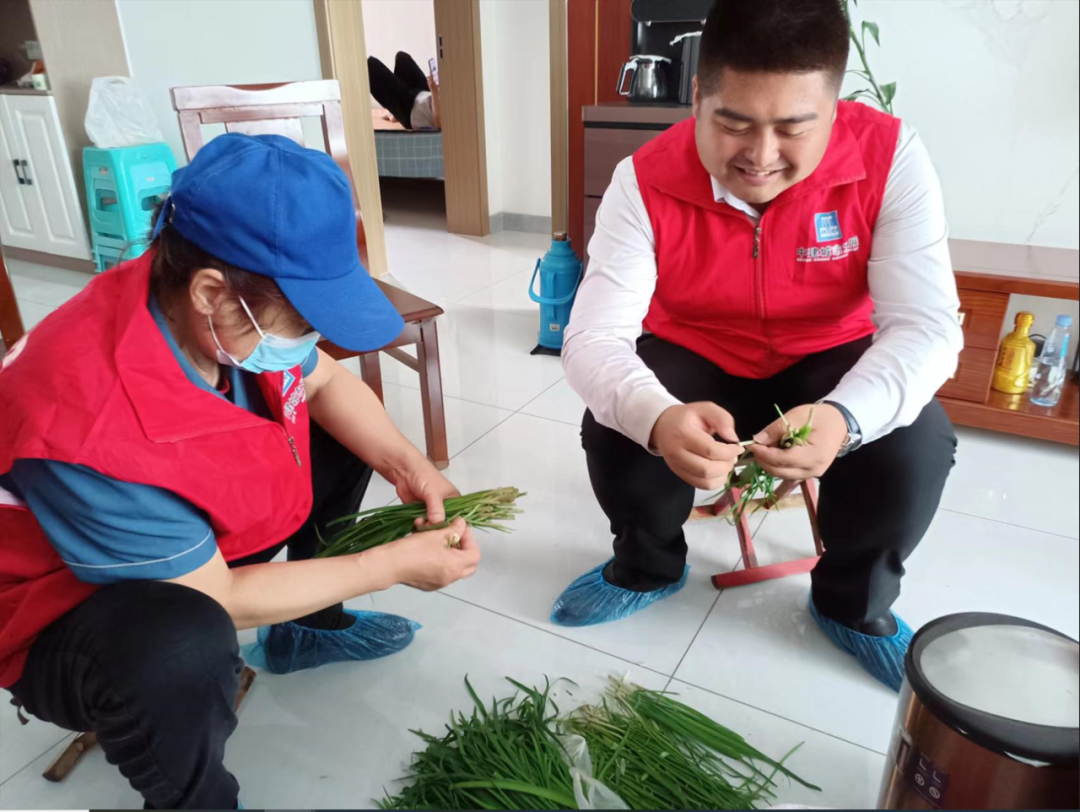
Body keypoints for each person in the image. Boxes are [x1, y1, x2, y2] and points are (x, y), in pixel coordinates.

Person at [0, 133, 480, 809]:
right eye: (303, 322)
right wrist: (392, 565)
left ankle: (307, 630)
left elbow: (324, 383)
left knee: (342, 435)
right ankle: (193, 796)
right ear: (211, 292)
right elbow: (215, 595)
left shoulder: (204, 305)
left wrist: (409, 464)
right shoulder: (85, 420)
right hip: (65, 605)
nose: (311, 340)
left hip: (178, 541)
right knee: (181, 647)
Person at [551, 0, 961, 692]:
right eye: (733, 123)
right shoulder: (643, 179)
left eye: (794, 128)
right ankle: (646, 566)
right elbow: (594, 337)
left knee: (914, 446)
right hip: (697, 347)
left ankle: (852, 604)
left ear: (836, 109)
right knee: (616, 424)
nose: (761, 157)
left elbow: (926, 326)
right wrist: (656, 415)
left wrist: (844, 418)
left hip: (828, 353)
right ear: (696, 98)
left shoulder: (891, 159)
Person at [368, 51, 441, 130]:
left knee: (371, 66)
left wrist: (434, 91)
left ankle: (397, 110)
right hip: (426, 96)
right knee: (402, 58)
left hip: (413, 112)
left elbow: (439, 125)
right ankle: (395, 111)